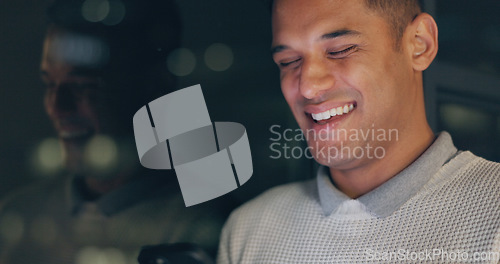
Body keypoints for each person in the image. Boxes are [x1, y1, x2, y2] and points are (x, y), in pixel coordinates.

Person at [217, 0, 500, 263]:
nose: (307, 87)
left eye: (340, 50)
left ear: (419, 44)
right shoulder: (249, 231)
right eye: (288, 62)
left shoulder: (493, 212)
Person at [0, 0, 232, 263]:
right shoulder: (19, 215)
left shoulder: (202, 228)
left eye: (84, 85)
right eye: (50, 85)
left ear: (155, 86)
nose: (58, 107)